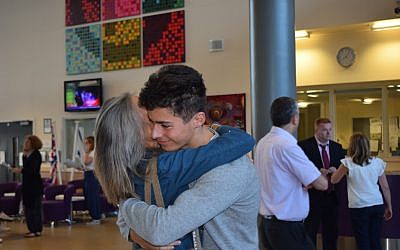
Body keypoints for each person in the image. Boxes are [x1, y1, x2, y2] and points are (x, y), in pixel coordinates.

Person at [111, 65, 260, 249]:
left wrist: (124, 203)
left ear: (198, 120)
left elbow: (162, 231)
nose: (155, 134)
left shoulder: (229, 170)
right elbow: (127, 219)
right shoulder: (168, 151)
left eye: (165, 125)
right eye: (152, 122)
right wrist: (135, 235)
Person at [254, 96, 328, 250]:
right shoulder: (287, 145)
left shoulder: (262, 142)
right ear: (295, 119)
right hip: (286, 227)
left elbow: (278, 176)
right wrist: (316, 176)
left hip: (266, 224)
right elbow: (322, 184)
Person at [331, 133, 392, 250]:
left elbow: (334, 180)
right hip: (376, 205)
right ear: (367, 145)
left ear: (352, 146)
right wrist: (389, 206)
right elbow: (385, 187)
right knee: (375, 241)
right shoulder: (378, 162)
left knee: (363, 241)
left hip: (359, 207)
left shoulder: (347, 163)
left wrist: (334, 170)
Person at [298, 118, 345, 250]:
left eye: (330, 130)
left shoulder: (337, 147)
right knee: (310, 231)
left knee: (331, 233)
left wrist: (336, 169)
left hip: (332, 196)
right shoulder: (304, 146)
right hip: (313, 196)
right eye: (324, 130)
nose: (328, 133)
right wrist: (317, 171)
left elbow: (342, 166)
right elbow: (300, 168)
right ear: (316, 130)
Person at [12, 135, 43, 237]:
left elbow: (33, 170)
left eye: (28, 142)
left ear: (33, 144)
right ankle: (31, 229)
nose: (25, 144)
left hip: (35, 185)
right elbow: (26, 169)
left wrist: (21, 170)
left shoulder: (36, 155)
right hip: (27, 185)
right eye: (25, 142)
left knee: (35, 208)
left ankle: (37, 229)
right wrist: (21, 169)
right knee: (27, 208)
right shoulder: (24, 155)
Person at [83, 136, 102, 225]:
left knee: (92, 196)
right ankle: (97, 215)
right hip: (89, 174)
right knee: (92, 195)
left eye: (86, 143)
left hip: (91, 175)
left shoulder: (92, 153)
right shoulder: (92, 152)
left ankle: (95, 217)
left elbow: (86, 162)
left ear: (91, 144)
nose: (85, 145)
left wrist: (86, 152)